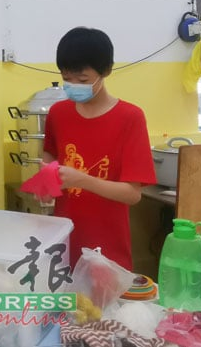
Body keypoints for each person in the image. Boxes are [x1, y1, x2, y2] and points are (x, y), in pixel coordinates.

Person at [42, 27, 156, 271]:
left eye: (82, 80)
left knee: (105, 307)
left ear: (106, 71)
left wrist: (82, 180)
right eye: (67, 79)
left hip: (107, 250)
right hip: (64, 241)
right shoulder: (58, 114)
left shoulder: (130, 118)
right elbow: (50, 155)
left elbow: (132, 194)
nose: (73, 86)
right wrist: (47, 182)